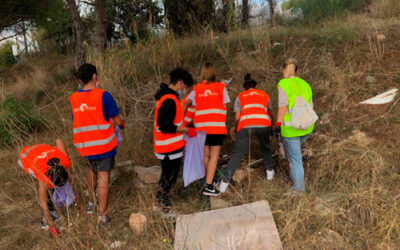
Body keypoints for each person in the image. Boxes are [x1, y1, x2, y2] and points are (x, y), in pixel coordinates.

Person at [69, 63, 125, 224]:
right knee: (103, 178)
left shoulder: (73, 98)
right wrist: (121, 125)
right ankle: (102, 215)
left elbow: (77, 120)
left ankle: (91, 203)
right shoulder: (103, 95)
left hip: (84, 146)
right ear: (95, 76)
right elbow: (117, 120)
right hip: (103, 145)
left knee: (91, 171)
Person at [219, 74, 275, 193]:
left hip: (245, 125)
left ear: (244, 87)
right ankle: (270, 174)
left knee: (237, 154)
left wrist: (236, 128)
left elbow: (238, 118)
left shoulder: (240, 96)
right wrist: (272, 125)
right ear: (256, 86)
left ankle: (224, 185)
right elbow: (270, 113)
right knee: (265, 148)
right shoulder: (264, 95)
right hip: (264, 124)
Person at [154, 68, 197, 212]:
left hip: (168, 146)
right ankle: (163, 204)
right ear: (180, 83)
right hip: (168, 147)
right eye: (185, 87)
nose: (184, 90)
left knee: (167, 176)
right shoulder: (169, 100)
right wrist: (187, 130)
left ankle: (160, 201)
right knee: (169, 177)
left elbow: (173, 120)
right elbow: (166, 126)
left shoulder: (168, 97)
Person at [184, 62, 230, 196]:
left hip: (201, 128)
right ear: (214, 73)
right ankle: (209, 185)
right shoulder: (221, 87)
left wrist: (181, 122)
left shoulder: (197, 89)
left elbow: (185, 104)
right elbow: (225, 107)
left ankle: (206, 180)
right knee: (214, 156)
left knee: (205, 155)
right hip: (216, 127)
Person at [274, 59, 314, 193]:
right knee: (295, 155)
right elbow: (311, 106)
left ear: (284, 70)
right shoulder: (305, 84)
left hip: (291, 130)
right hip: (307, 127)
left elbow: (282, 106)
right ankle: (296, 178)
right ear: (297, 71)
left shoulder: (283, 84)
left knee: (295, 160)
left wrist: (278, 124)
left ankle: (298, 189)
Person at [18, 139, 72, 237]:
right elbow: (42, 199)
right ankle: (46, 217)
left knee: (52, 189)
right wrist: (51, 225)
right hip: (25, 155)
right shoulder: (41, 173)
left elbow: (59, 140)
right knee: (47, 192)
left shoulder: (65, 161)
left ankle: (57, 211)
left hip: (42, 148)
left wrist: (63, 216)